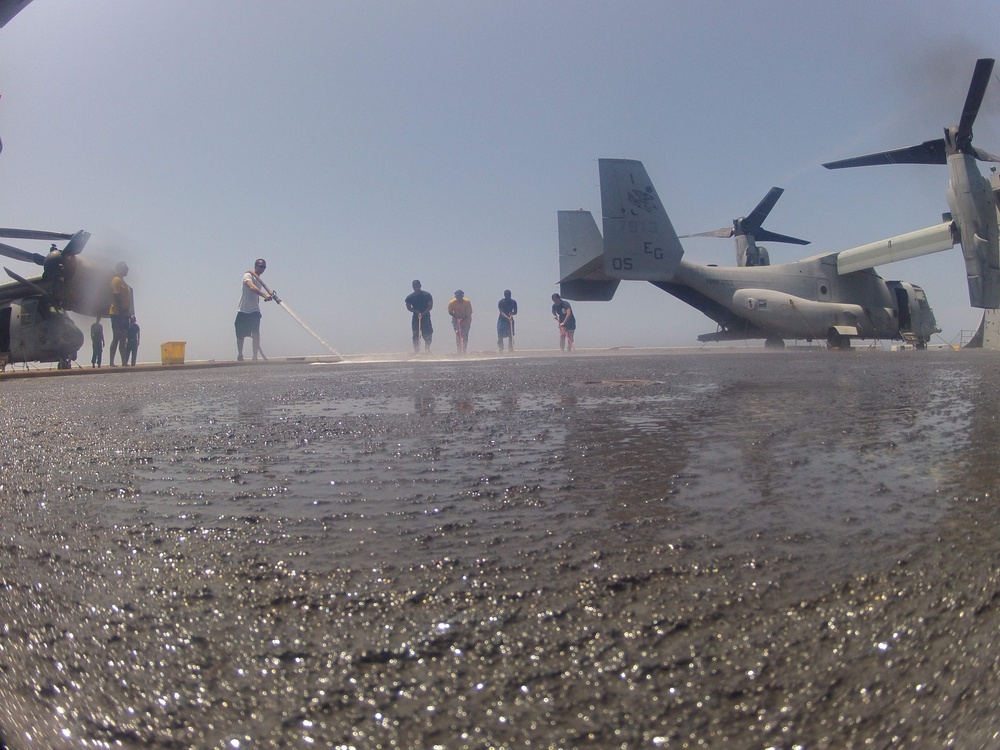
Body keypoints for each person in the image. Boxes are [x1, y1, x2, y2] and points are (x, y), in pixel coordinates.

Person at [235, 258, 273, 361]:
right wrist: (265, 295)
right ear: (255, 266)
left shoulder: (260, 281)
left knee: (256, 333)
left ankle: (255, 356)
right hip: (243, 310)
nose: (262, 269)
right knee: (240, 335)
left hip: (254, 311)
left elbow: (256, 296)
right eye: (261, 266)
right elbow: (251, 287)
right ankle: (240, 354)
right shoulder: (248, 275)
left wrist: (265, 298)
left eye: (264, 267)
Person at [107, 262, 132, 366]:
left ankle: (124, 362)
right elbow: (116, 296)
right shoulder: (116, 280)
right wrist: (121, 311)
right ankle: (111, 362)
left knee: (123, 339)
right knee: (116, 337)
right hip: (117, 313)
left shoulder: (123, 282)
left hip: (124, 313)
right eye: (126, 268)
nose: (127, 270)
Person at [404, 280, 434, 353]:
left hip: (426, 316)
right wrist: (417, 312)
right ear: (412, 287)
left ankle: (427, 348)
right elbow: (408, 307)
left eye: (417, 286)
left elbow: (430, 306)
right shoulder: (409, 297)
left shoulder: (427, 295)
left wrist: (423, 313)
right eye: (414, 286)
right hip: (416, 317)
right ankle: (416, 351)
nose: (416, 288)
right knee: (415, 334)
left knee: (428, 333)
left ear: (420, 286)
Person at [448, 289, 473, 354]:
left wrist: (462, 319)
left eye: (460, 296)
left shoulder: (467, 302)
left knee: (465, 335)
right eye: (457, 296)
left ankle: (464, 350)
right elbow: (450, 312)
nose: (459, 298)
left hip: (466, 320)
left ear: (462, 296)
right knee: (458, 334)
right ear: (455, 297)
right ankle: (459, 351)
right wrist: (456, 317)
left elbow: (469, 313)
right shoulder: (452, 303)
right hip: (456, 319)